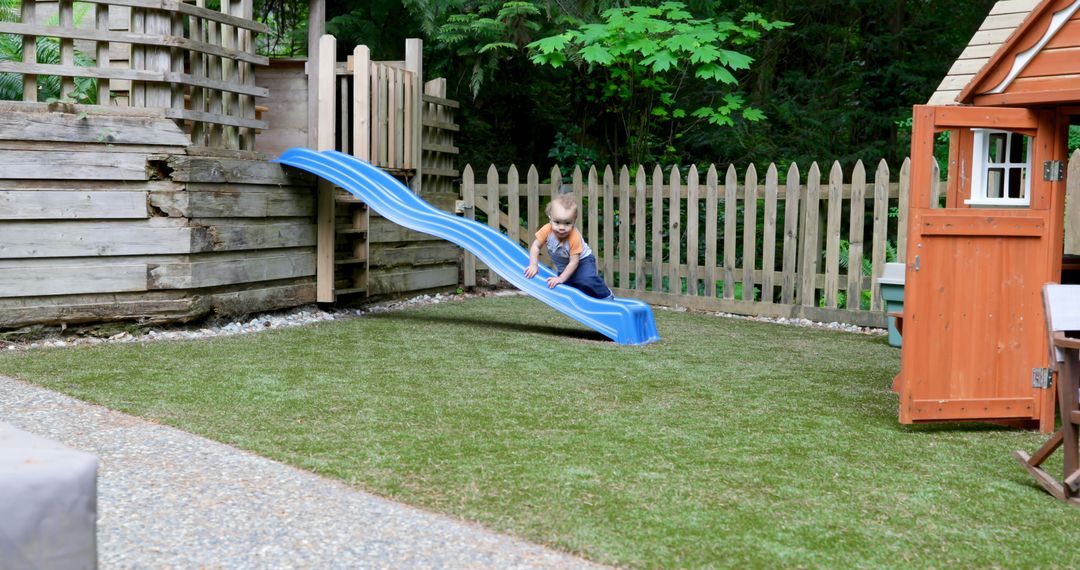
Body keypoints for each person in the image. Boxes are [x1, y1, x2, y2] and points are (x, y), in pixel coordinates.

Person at [524, 192, 614, 300]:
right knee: (570, 288)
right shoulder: (546, 230)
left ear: (574, 221)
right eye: (557, 222)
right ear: (550, 218)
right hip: (564, 266)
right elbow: (535, 247)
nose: (561, 227)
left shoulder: (574, 236)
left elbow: (574, 262)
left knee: (587, 279)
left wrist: (561, 278)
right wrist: (533, 265)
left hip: (582, 261)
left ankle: (605, 294)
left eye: (567, 223)